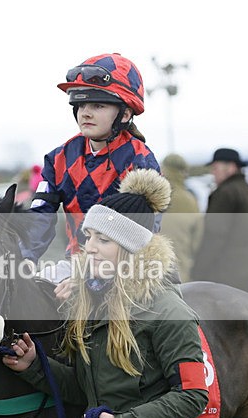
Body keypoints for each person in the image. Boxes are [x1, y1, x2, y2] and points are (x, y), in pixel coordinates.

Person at [4, 168, 208, 418]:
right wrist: (35, 366)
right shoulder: (91, 308)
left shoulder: (167, 310)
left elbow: (193, 396)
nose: (90, 247)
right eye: (89, 237)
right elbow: (86, 388)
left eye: (104, 239)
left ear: (131, 250)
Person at [21, 52, 161, 265]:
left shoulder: (141, 162)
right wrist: (23, 259)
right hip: (74, 264)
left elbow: (142, 233)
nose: (85, 113)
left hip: (124, 268)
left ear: (124, 114)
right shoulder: (58, 159)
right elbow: (39, 217)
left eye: (98, 105)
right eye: (81, 105)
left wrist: (96, 273)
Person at [190, 148, 248, 292]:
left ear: (231, 167)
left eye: (215, 168)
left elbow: (214, 236)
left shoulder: (224, 194)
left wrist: (198, 271)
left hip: (224, 270)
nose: (213, 173)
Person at [158, 154, 203, 282]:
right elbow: (197, 240)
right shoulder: (191, 201)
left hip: (153, 270)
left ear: (164, 170)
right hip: (182, 271)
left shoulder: (153, 197)